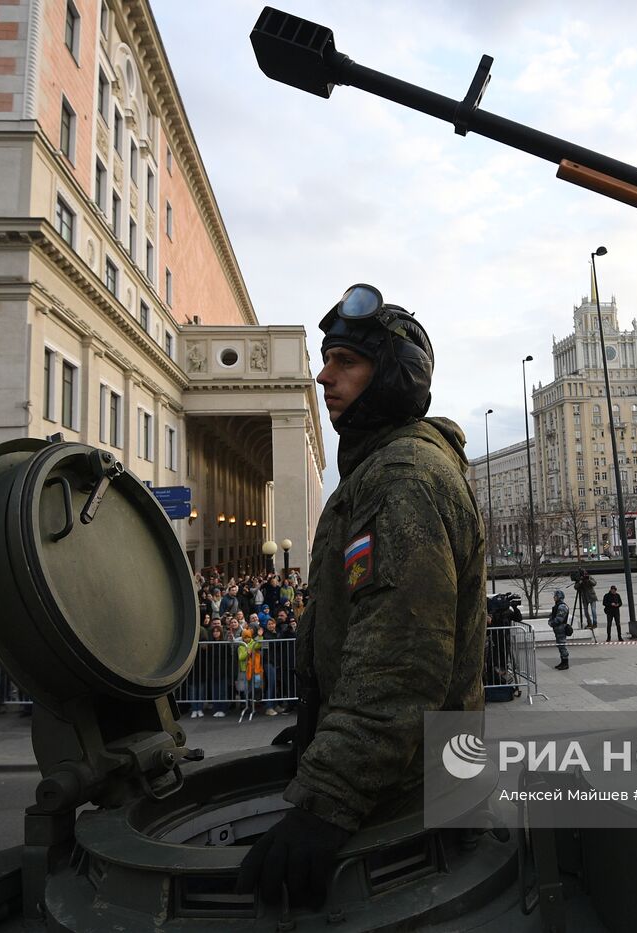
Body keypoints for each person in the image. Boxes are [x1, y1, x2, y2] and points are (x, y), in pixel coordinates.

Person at [239, 283, 486, 910]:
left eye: (346, 362)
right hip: (407, 781)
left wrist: (328, 797)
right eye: (327, 360)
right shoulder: (378, 470)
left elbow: (400, 665)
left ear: (394, 379)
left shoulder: (402, 480)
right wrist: (316, 729)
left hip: (409, 799)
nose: (324, 377)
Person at [548, 590, 571, 670]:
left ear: (559, 597)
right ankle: (562, 662)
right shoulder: (557, 605)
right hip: (558, 629)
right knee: (559, 646)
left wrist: (552, 623)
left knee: (562, 646)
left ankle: (565, 663)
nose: (554, 597)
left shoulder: (562, 606)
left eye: (555, 596)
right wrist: (551, 622)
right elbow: (552, 615)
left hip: (561, 629)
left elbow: (559, 619)